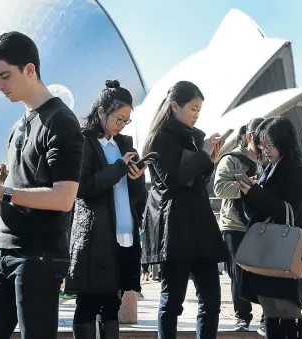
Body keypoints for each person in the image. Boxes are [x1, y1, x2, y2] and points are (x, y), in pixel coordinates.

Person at [0, 31, 83, 339]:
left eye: (4, 76)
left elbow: (64, 198)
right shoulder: (18, 125)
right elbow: (19, 195)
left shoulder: (61, 122)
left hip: (39, 255)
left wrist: (1, 192)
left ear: (29, 69)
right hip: (5, 250)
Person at [141, 81, 228, 339]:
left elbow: (198, 180)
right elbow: (171, 179)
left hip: (200, 224)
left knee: (211, 298)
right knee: (172, 300)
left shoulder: (196, 136)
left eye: (199, 109)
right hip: (175, 227)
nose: (196, 114)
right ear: (174, 106)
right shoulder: (159, 138)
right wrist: (202, 156)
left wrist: (210, 159)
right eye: (193, 108)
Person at [66, 80, 146, 339]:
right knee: (88, 304)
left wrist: (136, 178)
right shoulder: (84, 141)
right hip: (94, 235)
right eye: (118, 118)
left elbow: (136, 197)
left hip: (125, 232)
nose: (122, 124)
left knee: (113, 303)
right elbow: (82, 188)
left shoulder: (125, 144)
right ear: (101, 111)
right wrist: (118, 169)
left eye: (126, 120)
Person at [237, 116, 302, 339]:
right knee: (269, 306)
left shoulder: (296, 169)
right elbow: (258, 212)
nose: (265, 150)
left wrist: (257, 193)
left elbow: (292, 212)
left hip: (286, 250)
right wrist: (249, 193)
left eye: (270, 144)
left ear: (284, 142)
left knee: (287, 307)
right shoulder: (270, 168)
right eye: (261, 144)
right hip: (269, 249)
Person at [213, 118, 265, 334]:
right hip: (234, 224)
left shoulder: (269, 158)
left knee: (265, 271)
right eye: (261, 139)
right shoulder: (231, 159)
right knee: (238, 273)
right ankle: (241, 317)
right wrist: (246, 186)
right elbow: (219, 188)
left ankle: (267, 316)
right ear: (249, 137)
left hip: (261, 223)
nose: (265, 144)